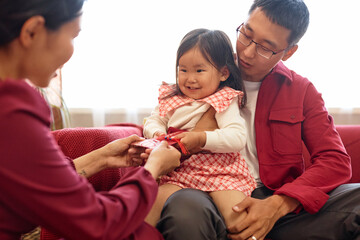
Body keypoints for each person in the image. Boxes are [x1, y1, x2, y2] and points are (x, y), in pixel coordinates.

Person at [156, 0, 360, 240]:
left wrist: (279, 204)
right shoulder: (203, 72)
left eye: (266, 47)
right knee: (184, 208)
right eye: (246, 34)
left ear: (289, 52)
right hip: (207, 194)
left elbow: (334, 160)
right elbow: (164, 131)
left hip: (278, 204)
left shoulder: (301, 90)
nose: (247, 52)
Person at [0, 1, 181, 239]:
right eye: (72, 36)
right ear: (32, 31)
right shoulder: (13, 112)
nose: (71, 52)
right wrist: (152, 169)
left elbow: (40, 182)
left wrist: (103, 157)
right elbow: (97, 222)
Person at [142, 29, 256, 227]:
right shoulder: (171, 97)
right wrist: (158, 134)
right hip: (178, 169)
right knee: (147, 214)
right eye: (183, 70)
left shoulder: (223, 99)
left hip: (220, 170)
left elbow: (237, 136)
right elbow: (153, 121)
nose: (190, 78)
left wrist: (202, 139)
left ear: (223, 73)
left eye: (199, 70)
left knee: (239, 220)